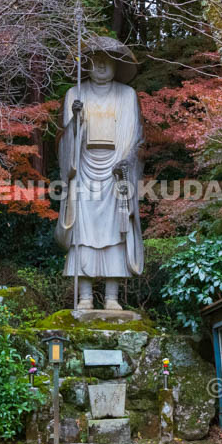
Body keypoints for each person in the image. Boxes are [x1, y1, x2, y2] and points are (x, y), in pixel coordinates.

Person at [55, 35, 144, 311]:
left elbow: (133, 137)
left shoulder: (127, 95)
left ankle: (111, 297)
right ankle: (84, 296)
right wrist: (76, 120)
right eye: (96, 61)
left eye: (108, 61)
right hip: (82, 167)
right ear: (87, 65)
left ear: (116, 66)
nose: (102, 66)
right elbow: (66, 141)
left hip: (116, 171)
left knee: (116, 231)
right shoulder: (75, 93)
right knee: (82, 232)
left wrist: (125, 162)